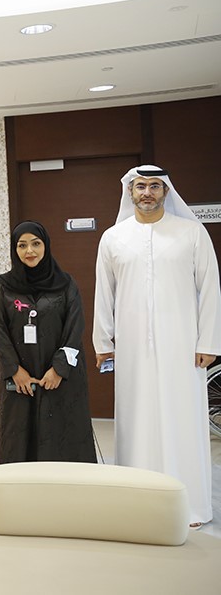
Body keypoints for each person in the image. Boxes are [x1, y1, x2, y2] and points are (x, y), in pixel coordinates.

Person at [94, 165, 221, 527]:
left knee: (183, 420)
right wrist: (103, 341)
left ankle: (190, 506)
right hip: (132, 348)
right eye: (140, 186)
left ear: (165, 191)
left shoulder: (191, 233)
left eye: (154, 186)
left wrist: (209, 341)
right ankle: (135, 503)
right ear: (130, 192)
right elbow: (104, 293)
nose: (146, 192)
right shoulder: (113, 238)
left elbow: (210, 287)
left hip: (184, 347)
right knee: (137, 420)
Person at [0, 221, 96, 464]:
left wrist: (59, 369)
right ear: (14, 250)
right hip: (20, 379)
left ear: (46, 246)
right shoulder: (3, 287)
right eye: (22, 245)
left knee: (62, 436)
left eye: (36, 244)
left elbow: (75, 328)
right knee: (19, 437)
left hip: (60, 377)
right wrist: (15, 370)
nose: (29, 251)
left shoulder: (66, 284)